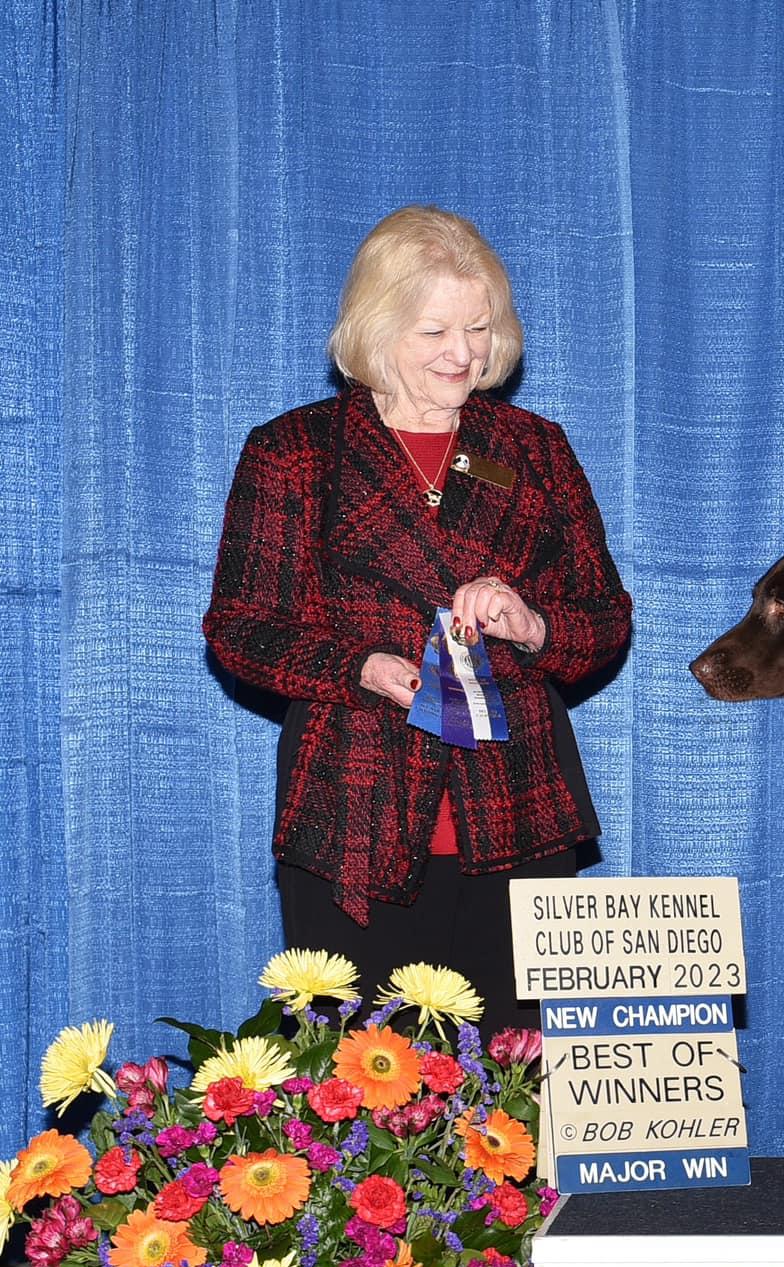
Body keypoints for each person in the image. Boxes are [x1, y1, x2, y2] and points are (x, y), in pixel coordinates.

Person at [205, 204, 632, 1036]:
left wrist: (533, 625)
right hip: (354, 812)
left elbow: (605, 619)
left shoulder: (535, 449)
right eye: (435, 330)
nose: (463, 354)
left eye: (479, 328)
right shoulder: (295, 451)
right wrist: (356, 666)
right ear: (376, 326)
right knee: (364, 1084)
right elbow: (241, 627)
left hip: (517, 808)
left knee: (514, 1078)